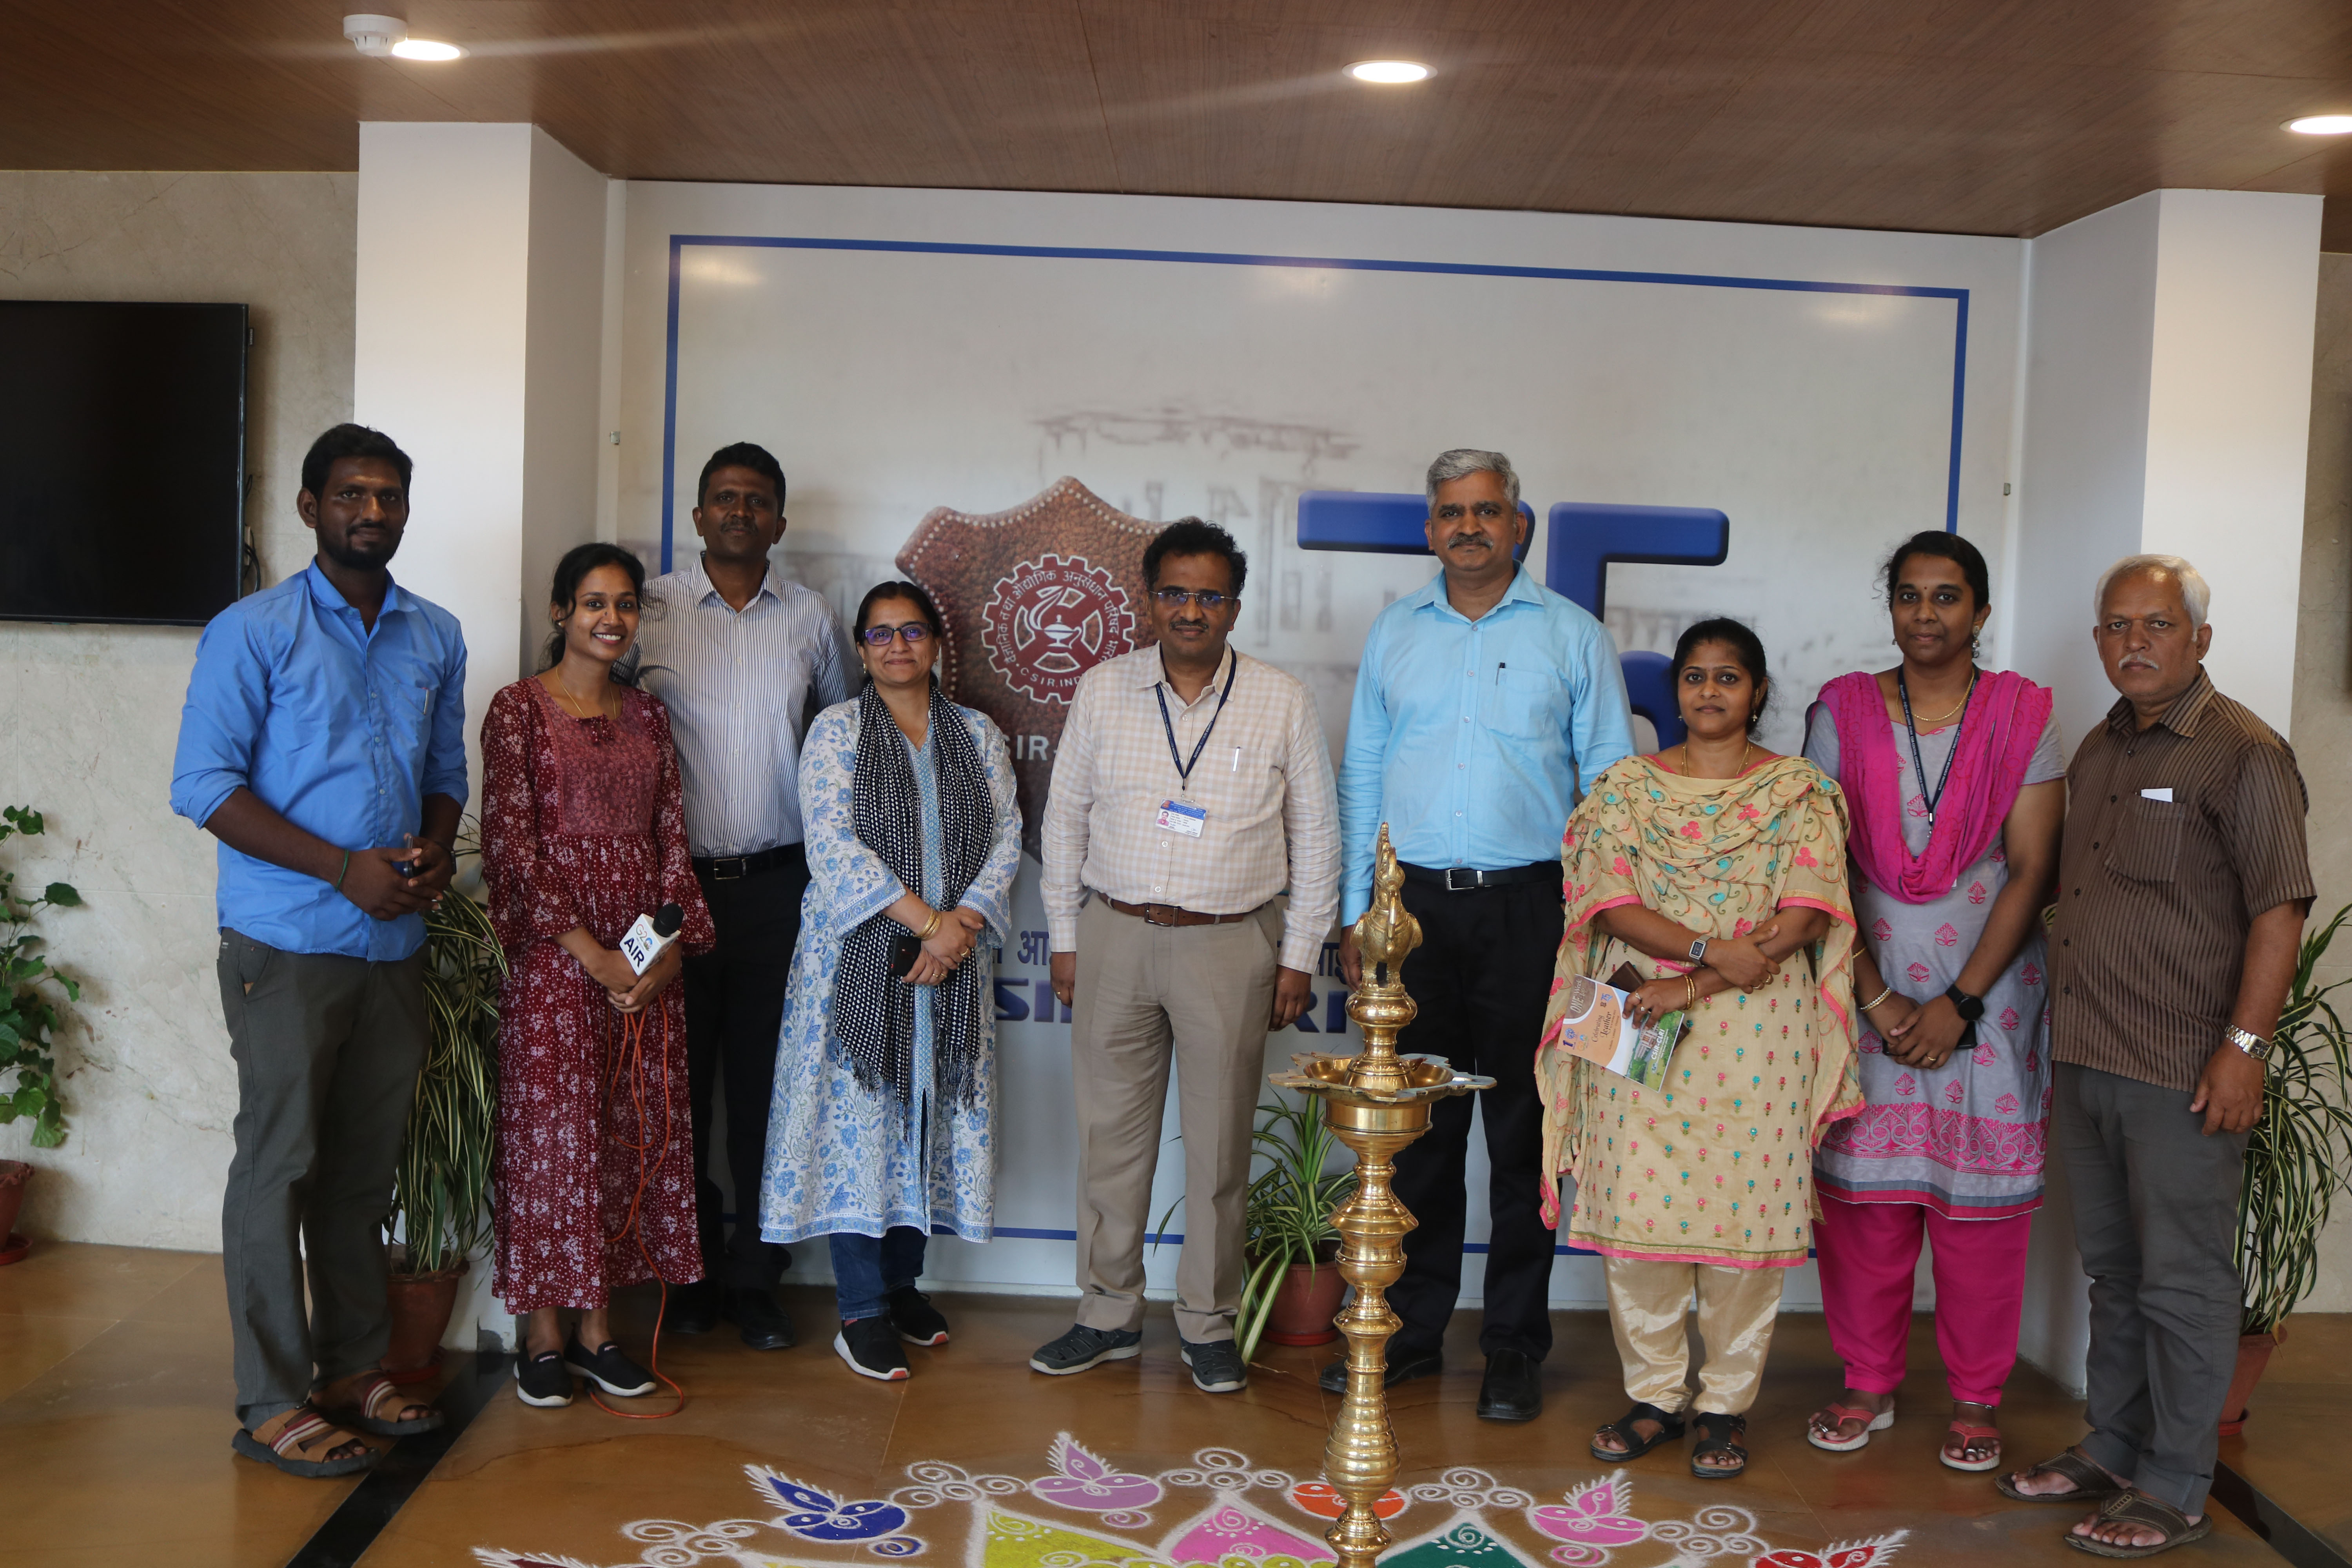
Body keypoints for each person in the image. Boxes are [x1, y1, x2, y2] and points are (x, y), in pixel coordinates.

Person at [169, 423, 466, 1477]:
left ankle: (351, 1370)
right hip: (288, 942)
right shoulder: (252, 630)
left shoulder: (435, 633)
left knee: (360, 1171)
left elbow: (444, 773)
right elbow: (202, 786)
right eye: (351, 494)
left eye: (389, 496)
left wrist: (435, 847)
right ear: (310, 507)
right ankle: (269, 1398)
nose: (371, 512)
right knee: (280, 1165)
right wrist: (343, 869)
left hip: (394, 942)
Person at [2001, 555, 2312, 1557]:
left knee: (2183, 1281)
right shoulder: (2101, 746)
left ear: (2200, 639)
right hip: (2087, 1054)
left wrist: (2245, 1049)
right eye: (2116, 624)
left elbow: (2279, 911)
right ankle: (2116, 1444)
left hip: (2182, 1068)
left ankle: (2176, 1483)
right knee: (2116, 1273)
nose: (2134, 642)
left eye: (2158, 623)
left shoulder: (2244, 753)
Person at [1327, 448, 1636, 1422]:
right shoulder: (1395, 633)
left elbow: (1611, 786)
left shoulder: (1572, 635)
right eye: (1452, 512)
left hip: (1532, 911)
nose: (1469, 526)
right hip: (1410, 910)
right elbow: (1364, 773)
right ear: (1431, 529)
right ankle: (1411, 1331)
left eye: (1487, 510)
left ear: (1518, 525)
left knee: (1523, 1136)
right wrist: (1357, 908)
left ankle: (1512, 1344)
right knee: (1417, 1133)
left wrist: (1601, 925)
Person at [1537, 617, 1859, 1479]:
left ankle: (1724, 1406)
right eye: (1695, 676)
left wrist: (1695, 983)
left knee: (1744, 1217)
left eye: (1728, 677)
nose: (1709, 691)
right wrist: (1710, 952)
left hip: (1759, 1024)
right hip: (1634, 1008)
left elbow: (1803, 916)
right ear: (1674, 690)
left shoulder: (1799, 792)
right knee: (1635, 1208)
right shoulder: (1624, 790)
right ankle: (1654, 1397)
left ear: (1758, 692)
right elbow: (1608, 905)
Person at [1033, 518, 1339, 1395]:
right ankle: (1107, 1314)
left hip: (1230, 944)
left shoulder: (1281, 698)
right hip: (1116, 933)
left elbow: (1318, 838)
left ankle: (1208, 1324)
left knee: (1217, 1152)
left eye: (1210, 595)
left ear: (1235, 607)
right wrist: (1066, 937)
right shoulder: (1105, 688)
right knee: (1110, 1141)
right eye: (1175, 592)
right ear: (1150, 598)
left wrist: (1298, 957)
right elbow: (1064, 820)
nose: (1191, 610)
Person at [1801, 532, 2064, 1473]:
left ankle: (1976, 1396)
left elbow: (2033, 868)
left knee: (1978, 1211)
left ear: (1981, 612)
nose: (1925, 613)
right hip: (1865, 984)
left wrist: (1960, 1000)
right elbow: (1817, 864)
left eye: (1947, 596)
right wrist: (1874, 994)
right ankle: (1867, 1380)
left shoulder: (2024, 715)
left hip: (1988, 999)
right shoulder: (1840, 711)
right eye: (1909, 595)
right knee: (1864, 1205)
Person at [759, 581, 1022, 1381]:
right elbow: (832, 844)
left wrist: (959, 926)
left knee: (927, 1118)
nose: (898, 645)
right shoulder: (836, 730)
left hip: (953, 965)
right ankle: (862, 1310)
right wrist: (928, 923)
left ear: (936, 642)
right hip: (857, 966)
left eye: (912, 631)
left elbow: (1007, 836)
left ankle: (904, 1285)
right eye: (881, 633)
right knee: (863, 1124)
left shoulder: (977, 734)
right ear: (861, 647)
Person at [626, 442, 857, 1350]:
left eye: (757, 500)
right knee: (678, 1092)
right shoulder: (648, 609)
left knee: (766, 1093)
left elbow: (841, 731)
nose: (739, 511)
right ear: (697, 516)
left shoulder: (811, 616)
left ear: (780, 522)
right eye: (724, 497)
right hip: (670, 893)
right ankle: (689, 1272)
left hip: (777, 888)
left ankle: (759, 1275)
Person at [481, 544, 715, 1408]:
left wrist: (660, 957)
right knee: (552, 1141)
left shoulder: (649, 716)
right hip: (555, 959)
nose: (610, 619)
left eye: (624, 604)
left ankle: (597, 1334)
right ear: (560, 611)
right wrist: (595, 955)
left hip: (641, 961)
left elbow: (672, 841)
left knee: (621, 1140)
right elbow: (514, 848)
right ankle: (541, 1336)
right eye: (592, 603)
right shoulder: (517, 709)